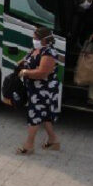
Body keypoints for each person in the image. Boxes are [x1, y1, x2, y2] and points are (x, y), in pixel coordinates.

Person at [15, 27, 61, 155]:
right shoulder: (36, 49)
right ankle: (53, 141)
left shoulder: (49, 53)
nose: (33, 40)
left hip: (44, 90)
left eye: (36, 38)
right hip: (35, 88)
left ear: (44, 40)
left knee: (34, 116)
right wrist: (22, 64)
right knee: (45, 115)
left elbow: (42, 73)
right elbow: (26, 61)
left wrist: (26, 72)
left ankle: (29, 146)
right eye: (34, 38)